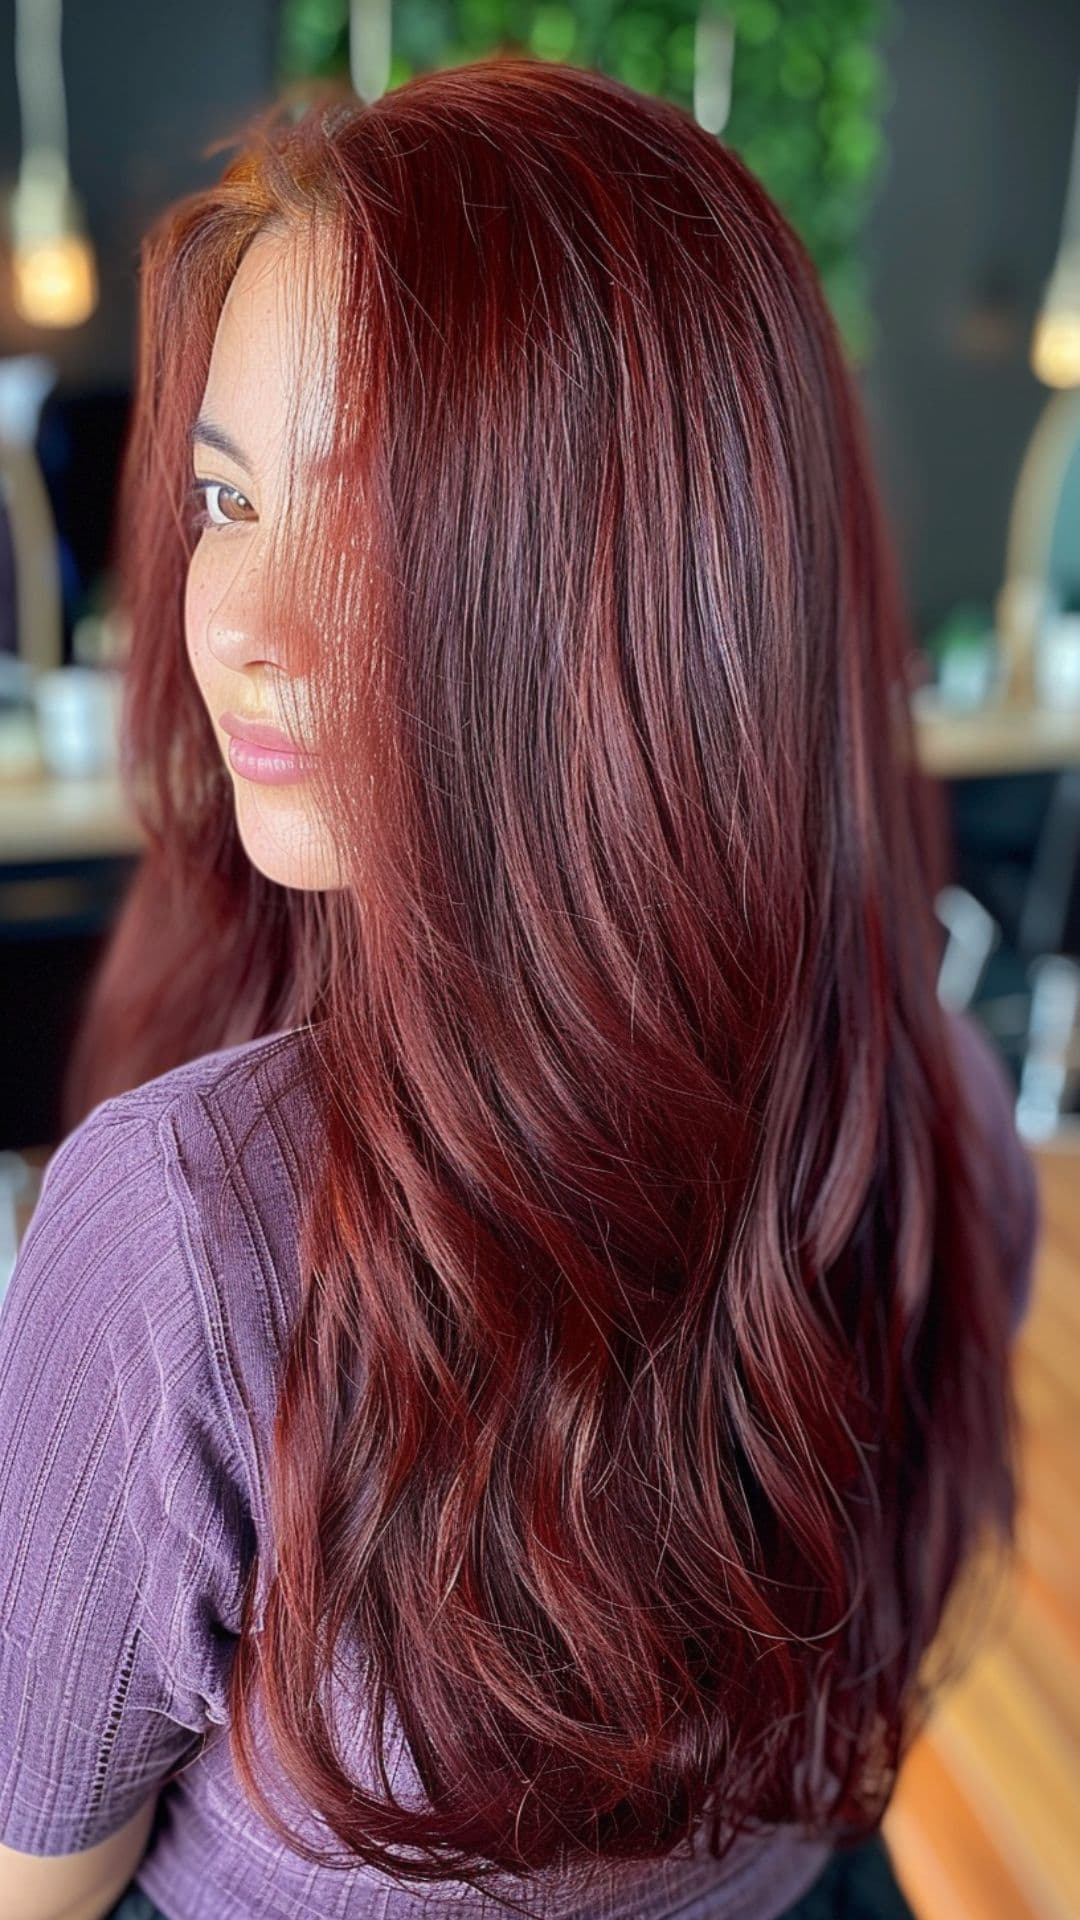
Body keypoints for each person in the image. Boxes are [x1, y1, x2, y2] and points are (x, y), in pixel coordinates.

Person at [0, 56, 1040, 1920]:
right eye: (227, 505)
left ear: (635, 582)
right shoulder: (949, 1099)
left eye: (375, 509)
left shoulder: (181, 1236)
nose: (229, 620)